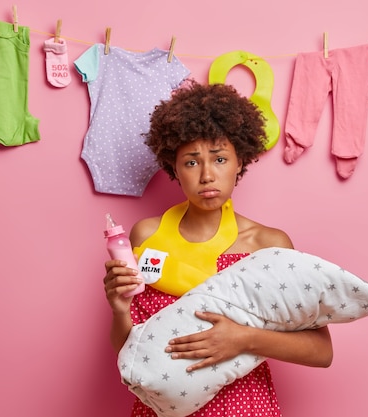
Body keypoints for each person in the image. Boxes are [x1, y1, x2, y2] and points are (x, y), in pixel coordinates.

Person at [103, 81, 333, 417]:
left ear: (240, 161)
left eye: (220, 158)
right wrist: (120, 308)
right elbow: (131, 352)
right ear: (174, 167)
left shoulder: (268, 246)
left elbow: (320, 350)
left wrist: (243, 339)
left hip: (243, 408)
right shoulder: (148, 236)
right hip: (161, 408)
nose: (207, 175)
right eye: (191, 162)